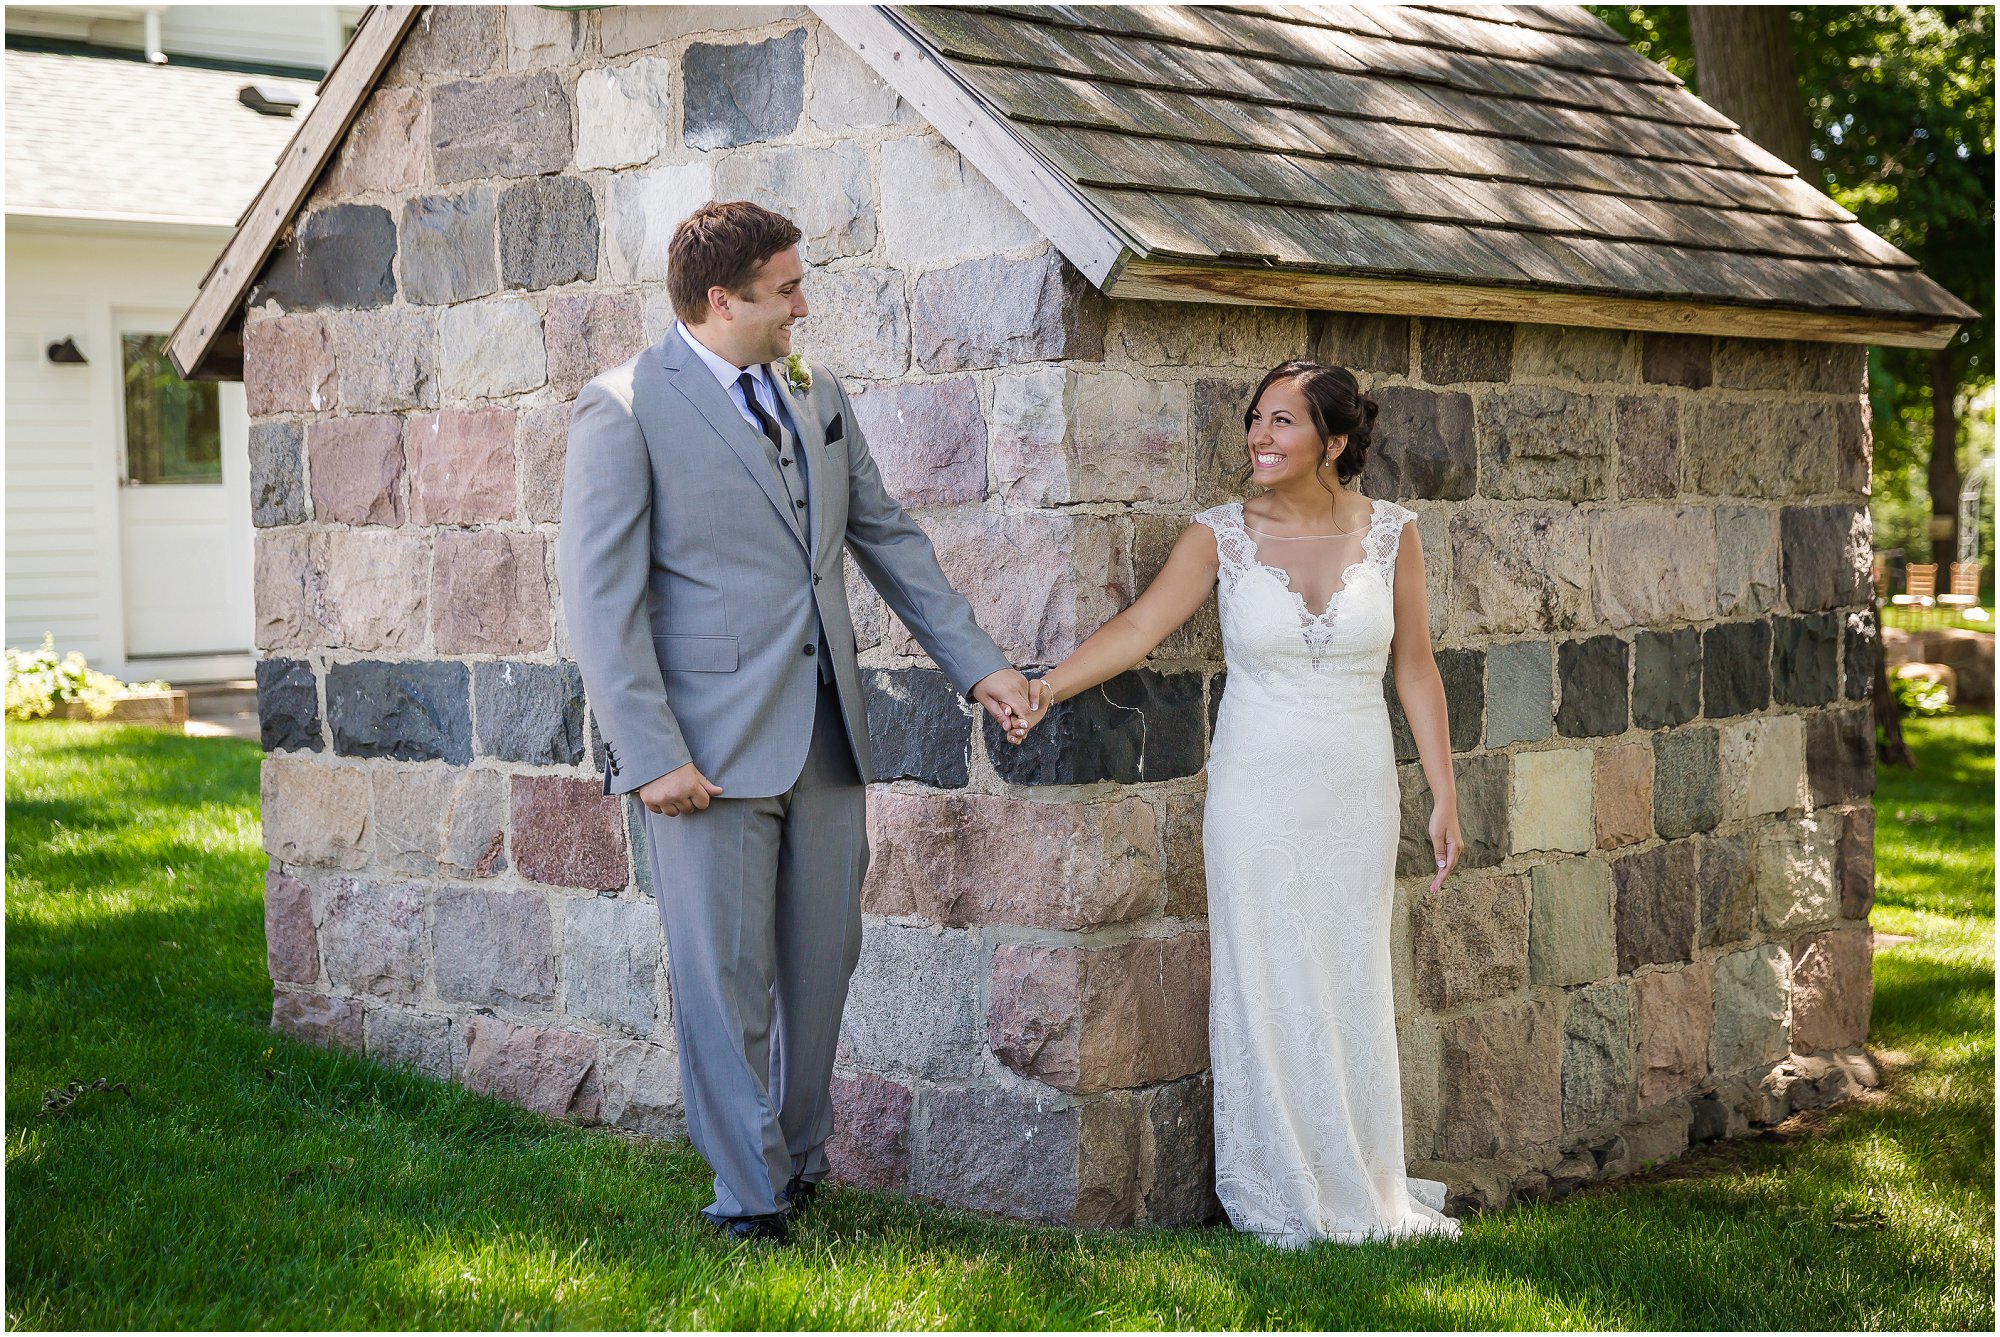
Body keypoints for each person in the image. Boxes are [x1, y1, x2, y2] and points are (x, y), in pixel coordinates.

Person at [558, 200, 1034, 1244]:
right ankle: (748, 1195)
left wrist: (980, 665)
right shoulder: (622, 407)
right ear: (721, 300)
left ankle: (798, 1154)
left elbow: (886, 536)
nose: (802, 306)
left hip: (823, 734)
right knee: (724, 978)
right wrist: (648, 757)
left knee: (822, 962)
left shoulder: (814, 391)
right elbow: (599, 605)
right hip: (703, 748)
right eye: (786, 289)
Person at [1016, 360, 1465, 1247]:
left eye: (1283, 423)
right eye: (1256, 419)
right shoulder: (1218, 535)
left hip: (1355, 789)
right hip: (1256, 789)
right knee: (1269, 979)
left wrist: (1443, 794)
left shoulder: (1394, 534)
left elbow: (1415, 666)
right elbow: (1142, 628)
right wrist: (1046, 688)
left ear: (1334, 443)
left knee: (1345, 978)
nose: (1260, 437)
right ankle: (1282, 1186)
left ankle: (1363, 1179)